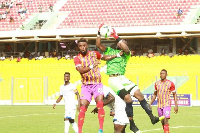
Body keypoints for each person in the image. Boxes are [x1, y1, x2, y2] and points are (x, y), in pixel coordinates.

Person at [96, 24, 165, 131]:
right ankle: (132, 124)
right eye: (122, 43)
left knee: (139, 95)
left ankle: (152, 117)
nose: (123, 45)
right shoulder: (109, 50)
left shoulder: (126, 54)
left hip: (123, 78)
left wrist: (115, 36)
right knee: (128, 99)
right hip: (113, 79)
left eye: (125, 44)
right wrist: (99, 33)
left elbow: (126, 48)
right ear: (118, 44)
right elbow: (98, 44)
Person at [74, 38, 123, 133]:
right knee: (83, 106)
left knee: (100, 103)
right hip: (86, 85)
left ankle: (100, 129)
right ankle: (80, 131)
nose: (82, 47)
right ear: (78, 47)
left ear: (87, 46)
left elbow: (105, 57)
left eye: (84, 45)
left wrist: (116, 55)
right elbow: (81, 70)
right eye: (80, 46)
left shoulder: (94, 54)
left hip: (97, 84)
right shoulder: (77, 58)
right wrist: (93, 65)